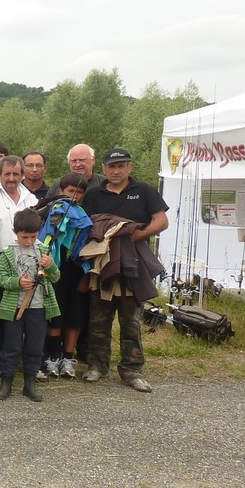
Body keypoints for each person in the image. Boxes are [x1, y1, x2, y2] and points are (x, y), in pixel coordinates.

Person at [80, 148, 169, 392]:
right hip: (102, 265)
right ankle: (97, 365)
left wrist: (137, 235)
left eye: (121, 166)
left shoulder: (144, 191)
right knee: (98, 318)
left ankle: (132, 370)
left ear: (129, 167)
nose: (116, 170)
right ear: (104, 169)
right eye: (111, 166)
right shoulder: (94, 194)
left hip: (134, 264)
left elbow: (161, 220)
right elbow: (85, 225)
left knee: (131, 320)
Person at [0, 156, 37, 372]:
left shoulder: (31, 199)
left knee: (20, 312)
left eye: (16, 174)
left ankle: (14, 357)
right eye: (7, 174)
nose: (12, 178)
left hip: (26, 262)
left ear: (22, 174)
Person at [0, 209, 60, 402]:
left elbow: (56, 277)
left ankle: (29, 383)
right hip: (14, 306)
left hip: (39, 307)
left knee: (35, 346)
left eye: (33, 236)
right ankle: (6, 382)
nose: (29, 241)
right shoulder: (7, 252)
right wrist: (17, 282)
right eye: (24, 237)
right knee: (11, 346)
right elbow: (1, 279)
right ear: (15, 232)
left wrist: (51, 266)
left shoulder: (44, 251)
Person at [39, 174, 90, 380]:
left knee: (75, 315)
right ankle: (52, 356)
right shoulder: (56, 209)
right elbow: (47, 237)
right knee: (55, 315)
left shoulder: (83, 213)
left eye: (78, 193)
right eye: (71, 191)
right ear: (61, 191)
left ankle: (68, 358)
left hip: (76, 269)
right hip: (54, 269)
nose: (74, 196)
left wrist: (86, 274)